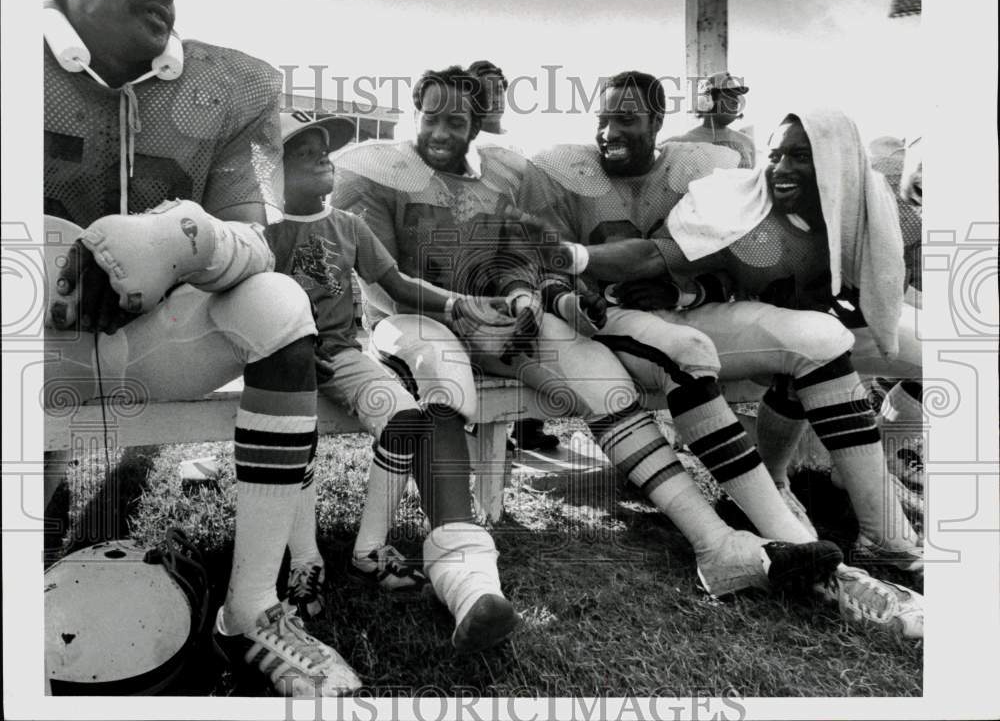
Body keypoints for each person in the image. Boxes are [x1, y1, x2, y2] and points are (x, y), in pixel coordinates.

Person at [332, 65, 842, 603]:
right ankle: (461, 562)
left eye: (456, 121)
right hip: (412, 319)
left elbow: (521, 255)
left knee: (606, 384)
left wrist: (532, 298)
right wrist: (463, 308)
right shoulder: (377, 170)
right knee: (446, 374)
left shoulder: (502, 173)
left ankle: (715, 543)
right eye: (430, 118)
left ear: (477, 124)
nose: (440, 132)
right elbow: (383, 284)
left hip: (495, 317)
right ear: (414, 114)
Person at [43, 0, 359, 696]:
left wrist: (180, 238)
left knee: (277, 301)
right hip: (29, 346)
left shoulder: (235, 85)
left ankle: (251, 609)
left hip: (161, 343)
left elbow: (256, 237)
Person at [522, 74, 923, 638]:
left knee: (823, 338)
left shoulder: (709, 169)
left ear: (657, 123)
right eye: (603, 117)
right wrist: (573, 270)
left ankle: (881, 526)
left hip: (708, 317)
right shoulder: (564, 172)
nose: (609, 131)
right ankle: (808, 554)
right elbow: (655, 256)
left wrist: (689, 292)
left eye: (626, 119)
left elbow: (715, 276)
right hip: (614, 322)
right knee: (694, 349)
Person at [266, 115, 525, 655]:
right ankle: (306, 562)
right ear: (273, 171)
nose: (322, 158)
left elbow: (398, 285)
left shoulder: (348, 226)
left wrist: (458, 303)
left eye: (324, 150)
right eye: (303, 153)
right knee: (295, 436)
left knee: (405, 414)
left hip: (340, 354)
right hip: (280, 360)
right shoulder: (261, 232)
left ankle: (368, 550)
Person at [468, 58, 560, 454]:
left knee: (535, 324)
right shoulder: (466, 142)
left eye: (500, 89)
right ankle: (481, 423)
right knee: (490, 327)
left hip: (526, 242)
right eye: (485, 90)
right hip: (485, 244)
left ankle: (529, 424)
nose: (495, 97)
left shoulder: (521, 140)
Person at [665, 72, 757, 168]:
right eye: (729, 95)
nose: (736, 101)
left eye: (736, 96)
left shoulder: (748, 143)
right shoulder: (678, 144)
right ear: (708, 101)